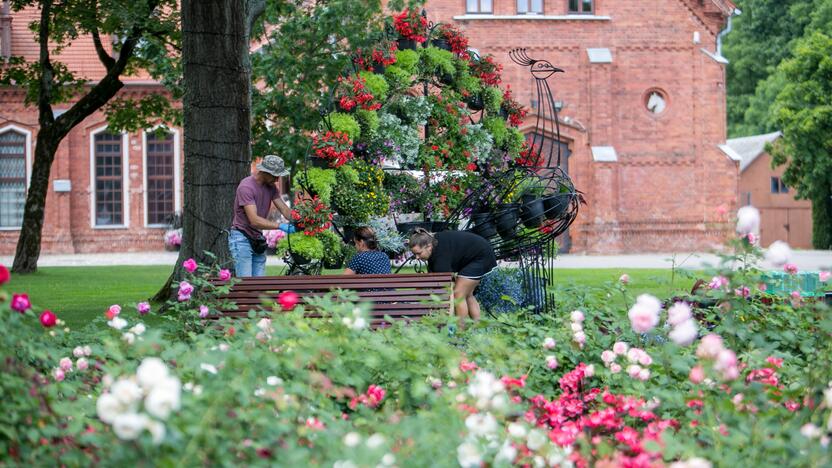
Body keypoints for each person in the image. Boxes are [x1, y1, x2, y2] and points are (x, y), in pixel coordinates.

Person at [408, 228, 497, 328]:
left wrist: (444, 320)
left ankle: (460, 333)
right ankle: (478, 328)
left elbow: (446, 292)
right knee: (467, 295)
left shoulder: (440, 258)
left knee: (458, 293)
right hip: (477, 254)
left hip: (480, 256)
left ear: (429, 246)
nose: (417, 258)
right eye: (414, 254)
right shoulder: (433, 245)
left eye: (419, 253)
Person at [229, 155, 295, 277]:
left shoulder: (271, 187)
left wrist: (301, 220)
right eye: (275, 175)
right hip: (241, 238)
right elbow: (254, 220)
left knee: (259, 283)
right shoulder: (246, 187)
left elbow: (284, 210)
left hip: (257, 238)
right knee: (246, 284)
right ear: (265, 172)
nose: (277, 179)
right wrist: (281, 226)